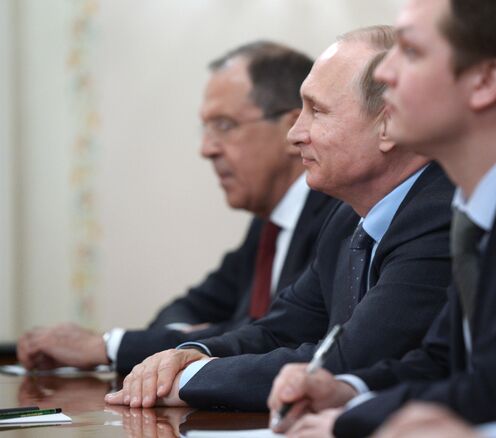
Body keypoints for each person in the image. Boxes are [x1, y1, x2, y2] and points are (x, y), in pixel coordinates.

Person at [104, 26, 455, 412]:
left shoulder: (439, 213)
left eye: (317, 111)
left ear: (387, 124)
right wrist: (189, 354)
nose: (294, 134)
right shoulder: (344, 219)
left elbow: (350, 360)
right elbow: (280, 328)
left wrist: (191, 379)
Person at [267, 0, 496, 436]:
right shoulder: (483, 208)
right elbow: (441, 362)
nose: (383, 73)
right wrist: (348, 390)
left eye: (412, 52)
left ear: (486, 80)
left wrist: (351, 420)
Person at [16, 41, 338, 374]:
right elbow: (187, 308)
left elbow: (276, 336)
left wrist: (107, 346)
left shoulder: (337, 215)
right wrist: (193, 335)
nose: (206, 149)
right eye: (206, 127)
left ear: (290, 128)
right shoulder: (269, 224)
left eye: (225, 126)